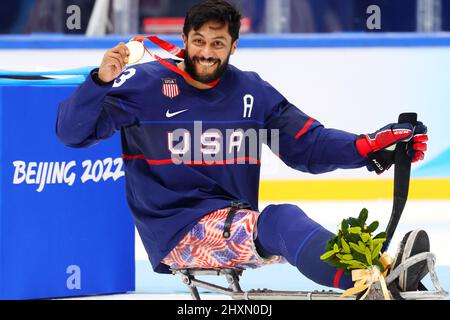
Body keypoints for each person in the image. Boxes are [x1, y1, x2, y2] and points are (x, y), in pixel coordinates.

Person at [56, 0, 429, 292]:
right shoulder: (145, 84)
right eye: (198, 41)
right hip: (175, 229)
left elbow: (307, 146)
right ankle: (369, 283)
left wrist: (368, 148)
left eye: (217, 43)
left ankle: (373, 270)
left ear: (234, 46)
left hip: (235, 222)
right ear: (184, 40)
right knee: (281, 220)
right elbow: (71, 133)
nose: (206, 52)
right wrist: (99, 82)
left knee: (280, 224)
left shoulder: (252, 90)